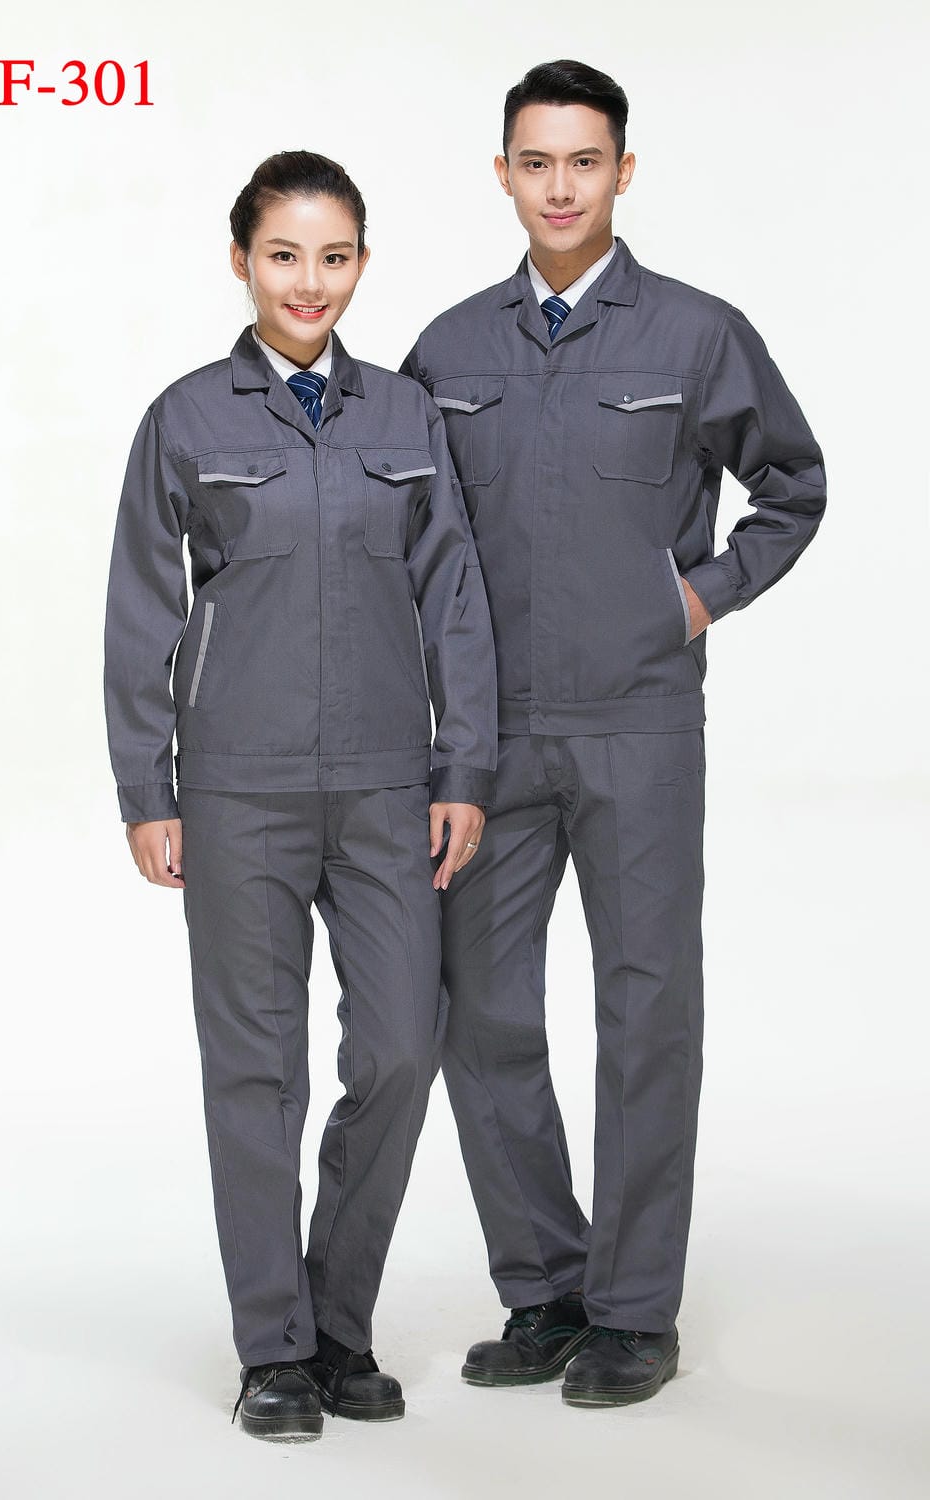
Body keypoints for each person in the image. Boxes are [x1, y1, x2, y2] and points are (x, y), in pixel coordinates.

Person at [402, 60, 826, 1408]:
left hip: (639, 723)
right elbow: (405, 538)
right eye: (536, 162)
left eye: (585, 161)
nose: (561, 186)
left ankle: (636, 1313)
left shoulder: (696, 335)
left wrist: (700, 595)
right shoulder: (447, 352)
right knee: (478, 1011)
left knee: (647, 1012)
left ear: (623, 172)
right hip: (488, 739)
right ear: (503, 174)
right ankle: (547, 1288)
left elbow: (793, 485)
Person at [103, 151, 497, 1441]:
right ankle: (274, 1350)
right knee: (255, 1073)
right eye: (284, 256)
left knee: (401, 1047)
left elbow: (454, 600)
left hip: (387, 788)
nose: (308, 282)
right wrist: (148, 787)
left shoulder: (405, 416)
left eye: (333, 257)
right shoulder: (186, 418)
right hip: (238, 792)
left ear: (362, 264)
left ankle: (338, 1320)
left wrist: (463, 767)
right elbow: (142, 608)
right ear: (243, 262)